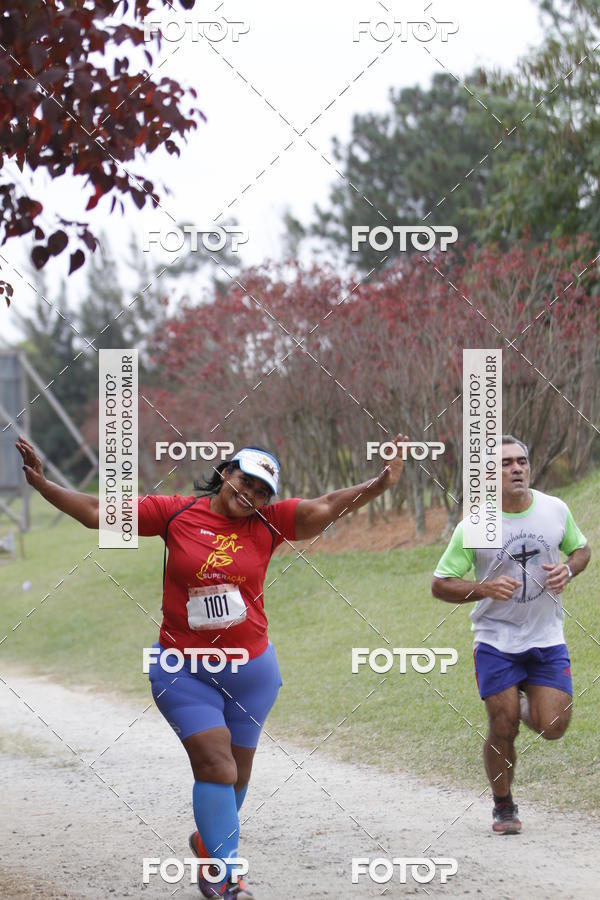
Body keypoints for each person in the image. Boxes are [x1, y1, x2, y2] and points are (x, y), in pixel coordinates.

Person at [17, 434, 406, 897]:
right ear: (225, 473)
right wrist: (45, 486)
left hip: (252, 671)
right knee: (217, 768)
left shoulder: (270, 523)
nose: (252, 495)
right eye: (245, 482)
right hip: (183, 668)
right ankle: (226, 875)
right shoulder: (176, 513)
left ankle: (208, 841)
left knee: (236, 778)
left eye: (263, 491)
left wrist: (381, 483)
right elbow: (100, 512)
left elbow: (326, 506)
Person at [431, 435, 590, 835]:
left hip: (546, 636)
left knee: (553, 725)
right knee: (502, 725)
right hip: (496, 639)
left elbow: (582, 550)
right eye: (504, 464)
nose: (516, 468)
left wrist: (568, 569)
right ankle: (503, 805)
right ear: (489, 475)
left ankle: (522, 703)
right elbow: (440, 583)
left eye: (521, 461)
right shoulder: (477, 525)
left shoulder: (554, 510)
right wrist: (483, 588)